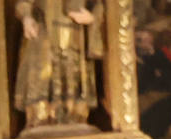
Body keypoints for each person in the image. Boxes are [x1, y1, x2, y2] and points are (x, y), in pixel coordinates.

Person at [13, 0, 105, 129]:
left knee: (73, 79)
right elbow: (23, 3)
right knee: (43, 79)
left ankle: (73, 116)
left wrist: (92, 18)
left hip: (74, 36)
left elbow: (97, 5)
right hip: (44, 33)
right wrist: (27, 18)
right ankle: (42, 117)